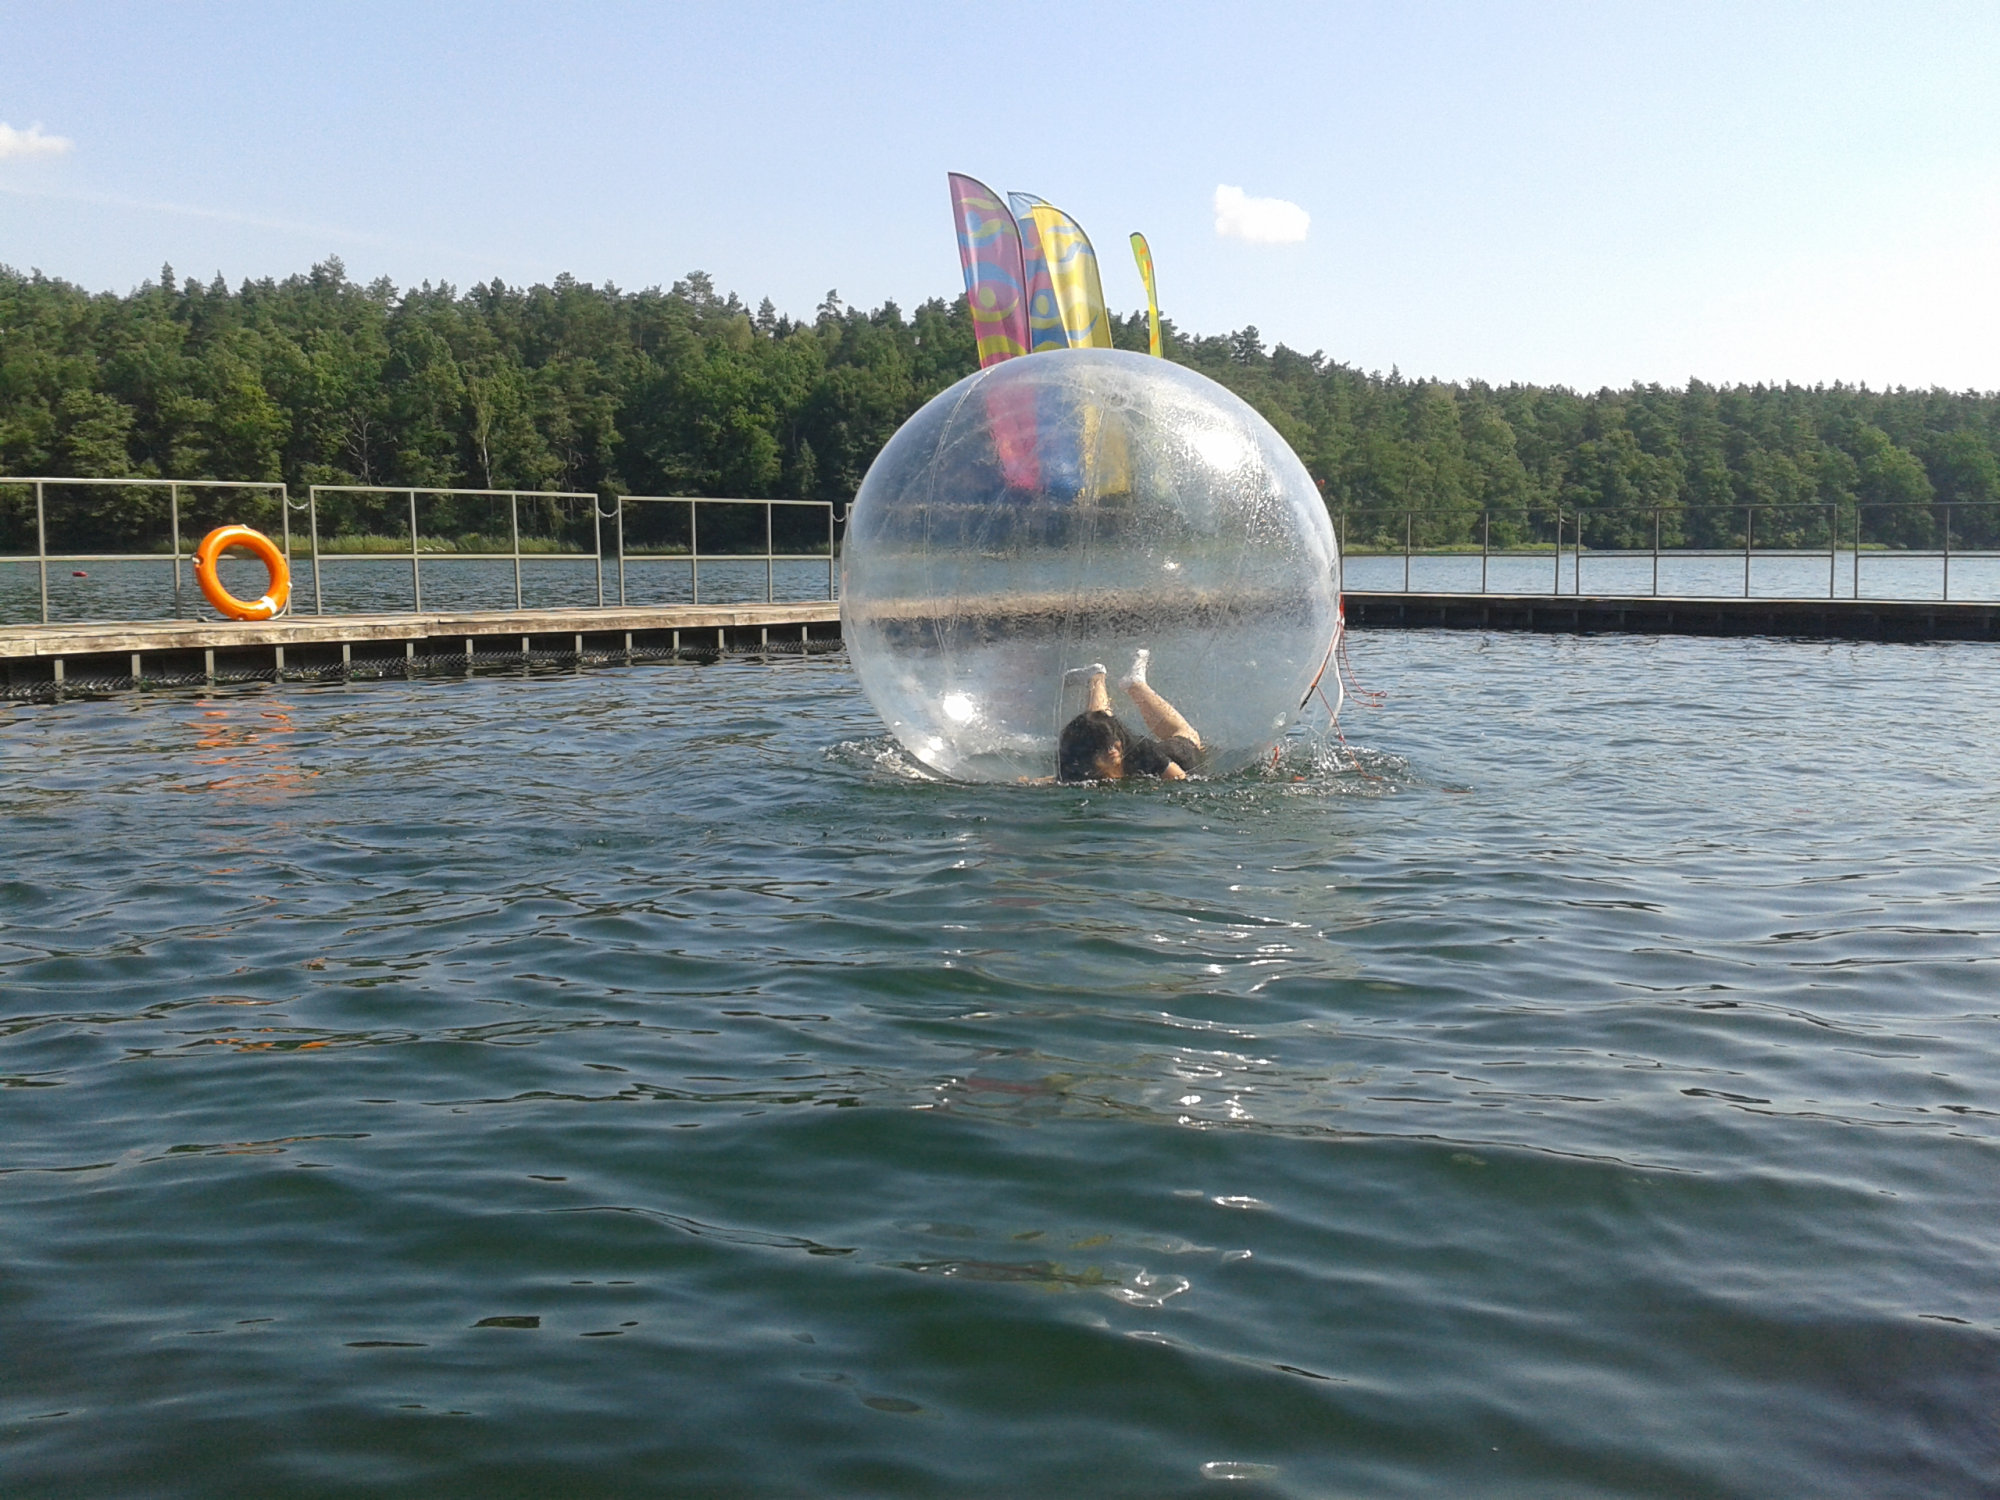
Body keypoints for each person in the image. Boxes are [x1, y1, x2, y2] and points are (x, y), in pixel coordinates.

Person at [1057, 650, 1204, 782]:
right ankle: (1096, 676)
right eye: (1102, 748)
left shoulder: (1143, 752)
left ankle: (1135, 684)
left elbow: (1180, 778)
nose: (1111, 750)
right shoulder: (1077, 766)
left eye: (1112, 743)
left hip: (1175, 758)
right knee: (1096, 727)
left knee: (1189, 735)